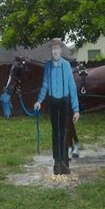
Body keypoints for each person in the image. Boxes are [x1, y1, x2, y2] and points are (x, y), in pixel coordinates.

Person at [34, 38, 80, 175]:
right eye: (53, 49)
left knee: (64, 132)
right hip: (53, 102)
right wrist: (39, 101)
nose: (55, 51)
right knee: (55, 132)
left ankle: (64, 162)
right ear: (51, 50)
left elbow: (72, 87)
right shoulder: (48, 66)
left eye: (57, 48)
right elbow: (45, 85)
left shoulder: (66, 65)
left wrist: (76, 109)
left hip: (64, 102)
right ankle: (57, 162)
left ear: (61, 50)